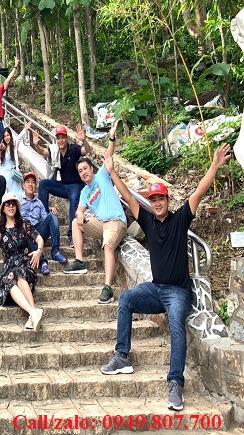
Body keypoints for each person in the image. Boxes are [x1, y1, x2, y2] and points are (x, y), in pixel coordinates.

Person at [100, 144, 231, 411]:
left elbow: (199, 192)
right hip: (155, 289)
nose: (157, 203)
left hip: (178, 292)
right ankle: (122, 356)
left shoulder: (180, 220)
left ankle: (175, 384)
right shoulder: (148, 222)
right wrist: (112, 172)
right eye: (154, 199)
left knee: (176, 326)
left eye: (161, 199)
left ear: (168, 201)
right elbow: (128, 197)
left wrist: (214, 166)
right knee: (126, 299)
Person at [34, 122, 117, 246]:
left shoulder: (73, 149)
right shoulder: (55, 151)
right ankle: (44, 218)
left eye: (63, 137)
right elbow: (42, 151)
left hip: (76, 185)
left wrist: (84, 140)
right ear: (56, 139)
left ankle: (72, 234)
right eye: (58, 138)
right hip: (63, 185)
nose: (61, 140)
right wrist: (36, 144)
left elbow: (86, 150)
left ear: (66, 138)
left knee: (73, 197)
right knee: (43, 184)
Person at [63, 156, 127, 305]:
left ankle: (107, 288)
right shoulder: (84, 192)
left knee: (107, 246)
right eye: (80, 171)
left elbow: (108, 155)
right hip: (101, 224)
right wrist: (80, 215)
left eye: (85, 168)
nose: (83, 172)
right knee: (75, 223)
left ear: (92, 169)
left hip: (115, 221)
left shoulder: (102, 175)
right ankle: (79, 261)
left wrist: (111, 142)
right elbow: (79, 210)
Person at [0, 193, 44, 331]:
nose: (11, 206)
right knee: (10, 278)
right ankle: (33, 312)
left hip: (25, 267)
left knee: (17, 273)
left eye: (13, 203)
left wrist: (39, 250)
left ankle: (33, 313)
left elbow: (39, 238)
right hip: (8, 270)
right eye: (7, 204)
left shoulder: (25, 224)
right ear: (3, 208)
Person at [20, 172, 67, 275]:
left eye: (33, 182)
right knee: (27, 231)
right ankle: (43, 262)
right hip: (24, 232)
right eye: (28, 182)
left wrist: (51, 212)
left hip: (38, 231)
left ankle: (55, 251)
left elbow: (46, 220)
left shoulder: (39, 203)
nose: (30, 184)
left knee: (52, 215)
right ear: (23, 185)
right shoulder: (18, 201)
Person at [0, 123, 32, 197]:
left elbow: (19, 137)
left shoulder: (14, 146)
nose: (6, 138)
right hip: (4, 172)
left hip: (13, 173)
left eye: (8, 135)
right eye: (5, 136)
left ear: (10, 136)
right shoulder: (2, 147)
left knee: (16, 192)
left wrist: (25, 129)